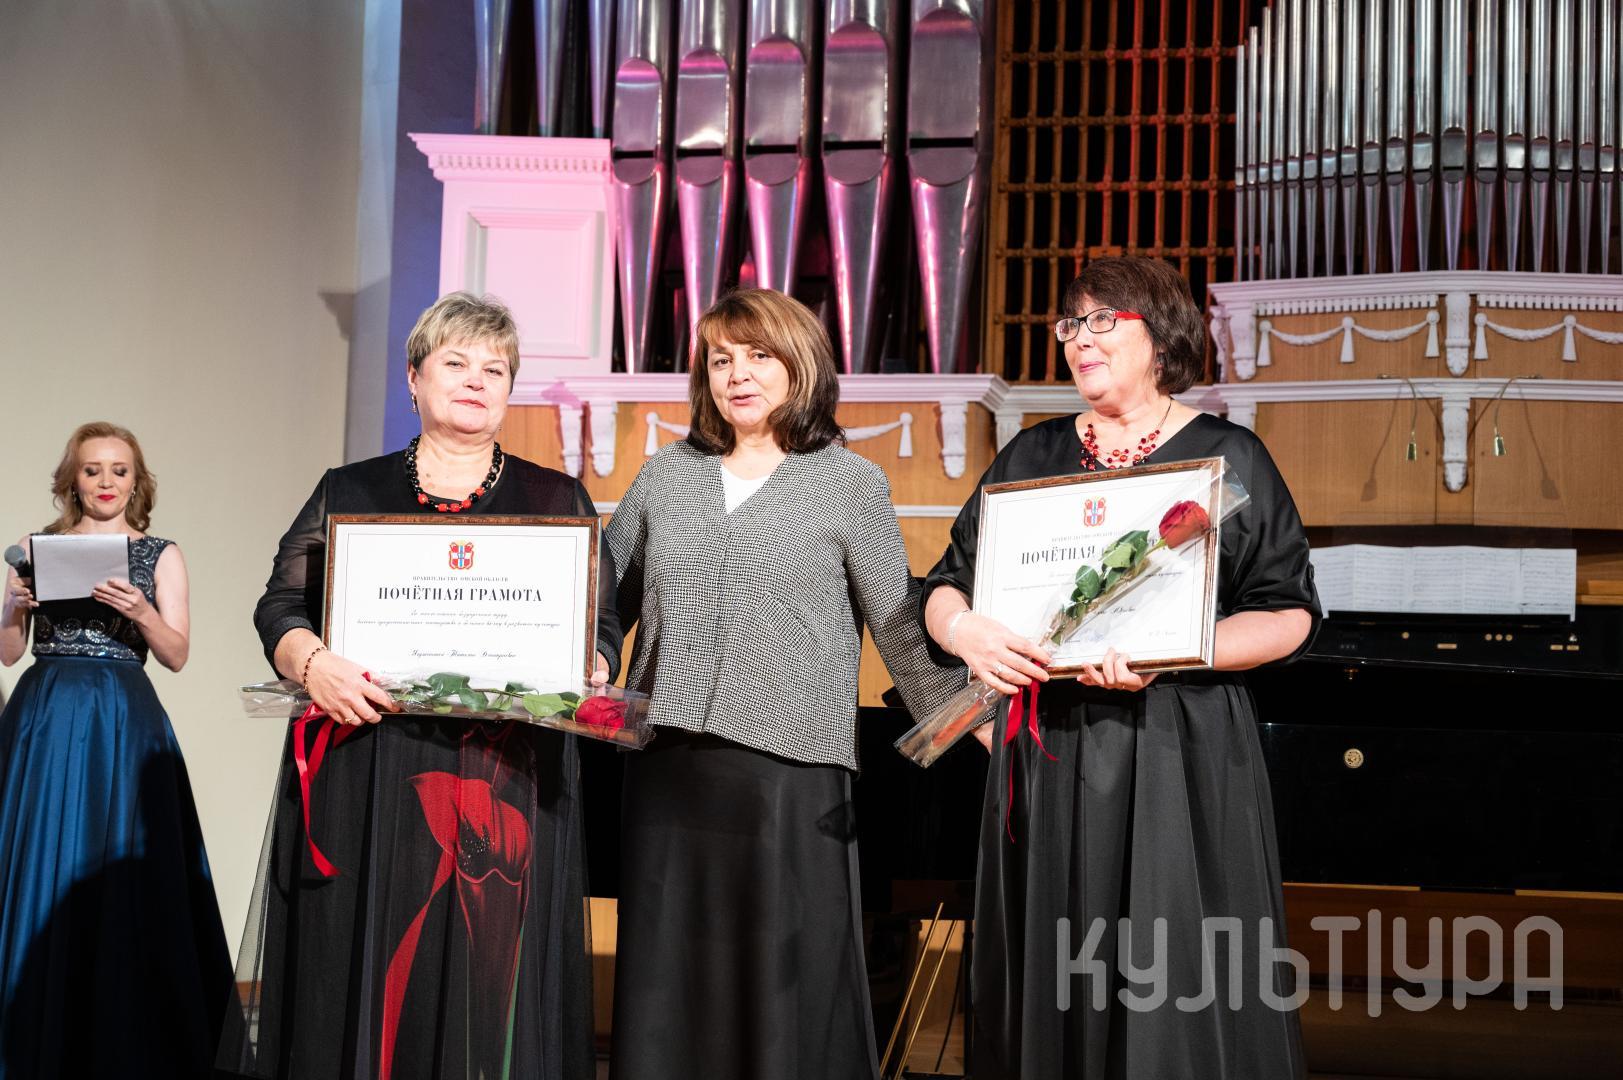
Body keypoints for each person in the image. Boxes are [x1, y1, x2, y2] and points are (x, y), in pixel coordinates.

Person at [921, 257, 1319, 1080]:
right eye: (1071, 323)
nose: (1080, 338)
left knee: (1169, 969)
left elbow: (1288, 614)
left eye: (1104, 320)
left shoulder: (1227, 454)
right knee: (1050, 963)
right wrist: (964, 631)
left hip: (1177, 746)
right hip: (1046, 748)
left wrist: (1175, 649)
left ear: (1161, 336)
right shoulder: (1030, 454)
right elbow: (944, 584)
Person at [218, 293, 623, 1080]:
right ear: (414, 377)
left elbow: (599, 622)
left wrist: (593, 662)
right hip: (371, 765)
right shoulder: (350, 491)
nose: (475, 381)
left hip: (507, 780)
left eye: (494, 370)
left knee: (487, 979)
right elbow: (279, 606)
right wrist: (313, 663)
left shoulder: (555, 498)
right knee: (374, 962)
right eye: (455, 363)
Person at [603, 289, 962, 1080]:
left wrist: (972, 721)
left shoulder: (850, 482)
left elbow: (897, 621)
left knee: (781, 995)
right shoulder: (664, 476)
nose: (737, 374)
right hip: (665, 770)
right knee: (667, 989)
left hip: (788, 773)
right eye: (720, 359)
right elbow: (599, 597)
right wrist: (585, 661)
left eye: (759, 355)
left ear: (801, 366)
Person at [0, 421, 231, 1079]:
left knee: (120, 866)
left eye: (119, 470)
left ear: (136, 482)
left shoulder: (160, 554)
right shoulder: (34, 547)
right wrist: (13, 605)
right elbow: (9, 653)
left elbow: (177, 654)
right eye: (93, 469)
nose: (106, 482)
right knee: (39, 860)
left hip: (122, 720)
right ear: (72, 480)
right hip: (46, 716)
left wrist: (141, 611)